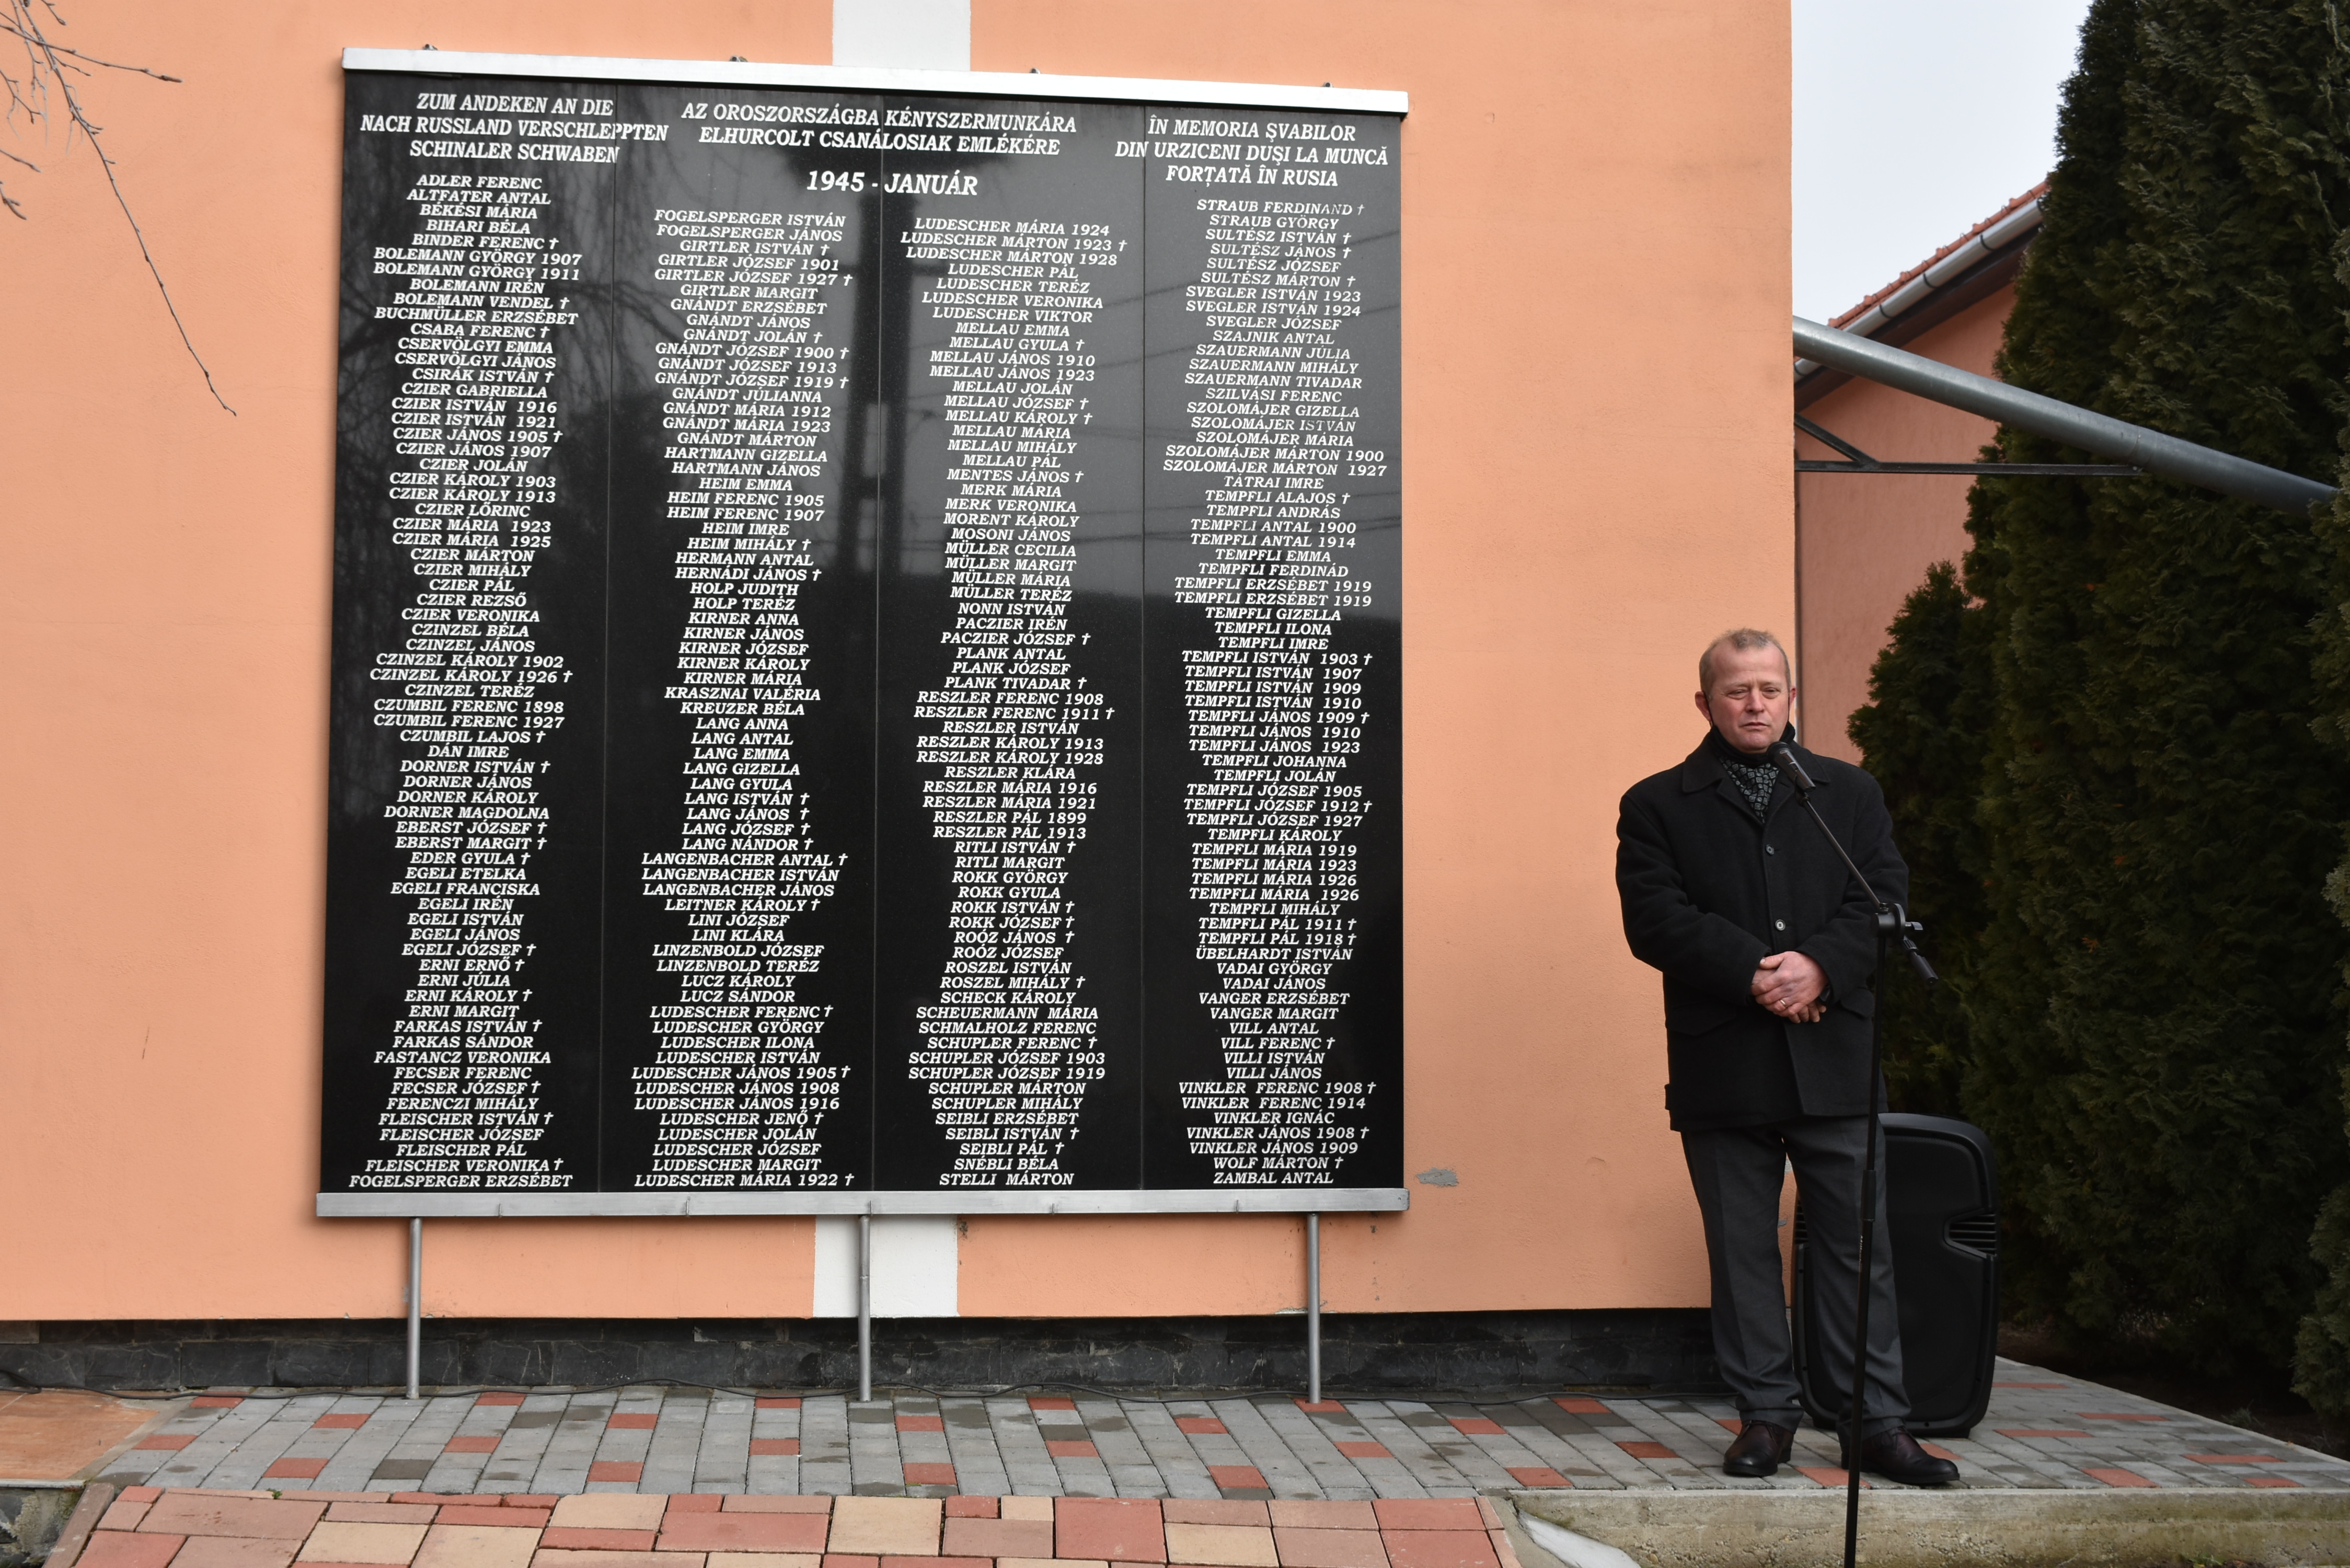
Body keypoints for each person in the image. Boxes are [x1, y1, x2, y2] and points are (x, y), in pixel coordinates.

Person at [1614, 628, 1957, 1486]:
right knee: (1742, 1250)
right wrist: (1759, 974)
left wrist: (1822, 968)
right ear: (1706, 703)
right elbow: (1655, 920)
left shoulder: (1848, 792)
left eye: (1770, 688)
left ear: (1792, 697)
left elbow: (1881, 899)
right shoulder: (1656, 804)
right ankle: (1766, 1416)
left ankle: (1875, 1423)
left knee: (1857, 1248)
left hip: (1834, 1054)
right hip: (1724, 1060)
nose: (1755, 704)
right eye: (1737, 691)